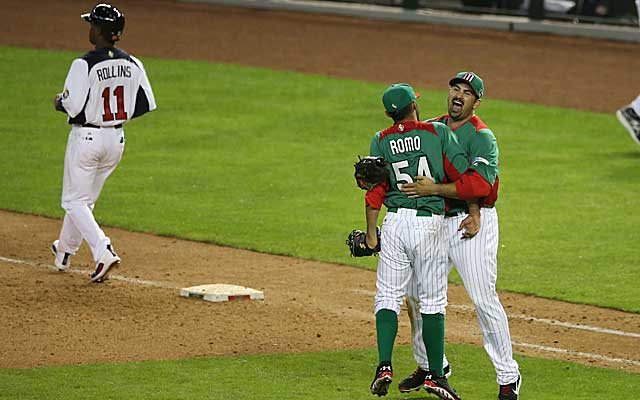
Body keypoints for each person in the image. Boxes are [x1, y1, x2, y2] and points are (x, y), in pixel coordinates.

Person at [399, 72, 521, 400]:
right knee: (415, 293)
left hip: (472, 225)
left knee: (483, 298)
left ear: (475, 102)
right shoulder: (433, 127)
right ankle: (431, 367)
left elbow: (479, 186)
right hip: (437, 222)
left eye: (467, 92)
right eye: (456, 88)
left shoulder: (482, 137)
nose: (459, 94)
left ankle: (508, 377)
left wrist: (440, 191)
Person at [364, 83, 478, 399]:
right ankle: (436, 376)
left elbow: (375, 189)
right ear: (414, 105)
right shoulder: (436, 132)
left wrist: (373, 233)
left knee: (387, 295)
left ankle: (384, 365)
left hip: (394, 222)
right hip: (428, 226)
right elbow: (462, 174)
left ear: (389, 113)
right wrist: (473, 210)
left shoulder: (381, 139)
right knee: (432, 302)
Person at [51, 3, 156, 283]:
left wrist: (59, 102)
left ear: (98, 30)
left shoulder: (84, 63)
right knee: (85, 201)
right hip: (116, 140)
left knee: (73, 200)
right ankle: (64, 251)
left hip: (87, 139)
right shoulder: (133, 63)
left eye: (92, 25)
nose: (90, 29)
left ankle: (103, 250)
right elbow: (145, 104)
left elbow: (72, 106)